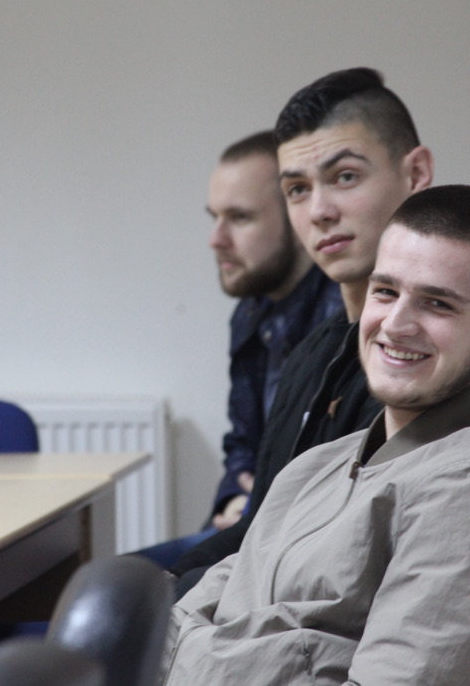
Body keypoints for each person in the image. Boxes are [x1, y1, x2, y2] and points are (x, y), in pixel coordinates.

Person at [161, 185, 470, 686]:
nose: (395, 325)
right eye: (385, 292)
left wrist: (207, 653)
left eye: (437, 303)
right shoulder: (315, 466)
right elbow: (170, 631)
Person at [169, 68, 470, 591]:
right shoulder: (314, 353)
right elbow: (262, 526)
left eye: (345, 177)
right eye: (297, 189)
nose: (320, 212)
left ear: (416, 173)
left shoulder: (443, 370)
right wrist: (165, 587)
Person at [140, 132, 341, 568]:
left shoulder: (345, 317)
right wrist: (233, 495)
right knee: (113, 579)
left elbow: (330, 469)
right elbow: (243, 442)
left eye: (239, 218)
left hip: (300, 546)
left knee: (125, 590)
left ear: (298, 218)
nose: (216, 239)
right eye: (214, 217)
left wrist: (252, 505)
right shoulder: (251, 312)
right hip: (246, 526)